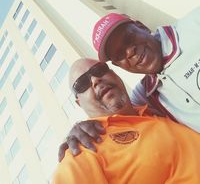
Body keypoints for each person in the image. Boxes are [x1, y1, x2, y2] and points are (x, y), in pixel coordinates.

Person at [54, 58, 200, 184]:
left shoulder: (152, 103)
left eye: (99, 70)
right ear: (79, 103)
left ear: (114, 74)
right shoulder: (81, 153)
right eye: (82, 84)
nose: (95, 80)